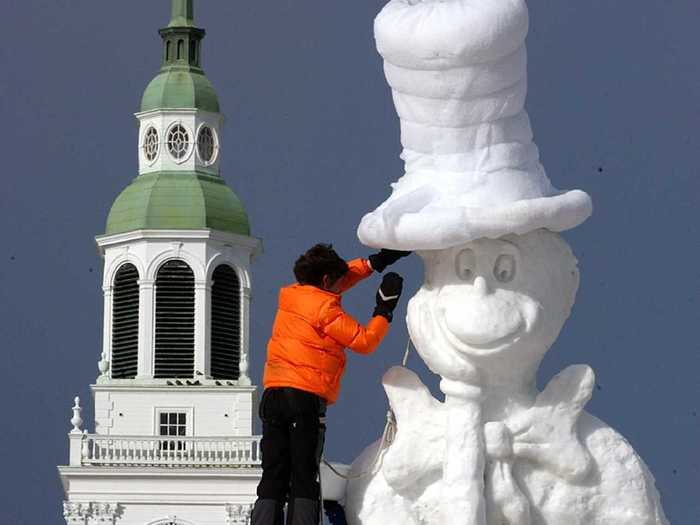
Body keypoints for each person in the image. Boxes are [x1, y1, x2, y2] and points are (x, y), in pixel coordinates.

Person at [251, 243, 410, 525]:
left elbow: (340, 277)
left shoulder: (295, 295)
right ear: (326, 281)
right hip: (303, 400)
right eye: (336, 281)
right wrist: (384, 309)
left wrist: (375, 262)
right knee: (303, 474)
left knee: (273, 474)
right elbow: (364, 342)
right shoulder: (325, 309)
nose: (341, 285)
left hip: (273, 396)